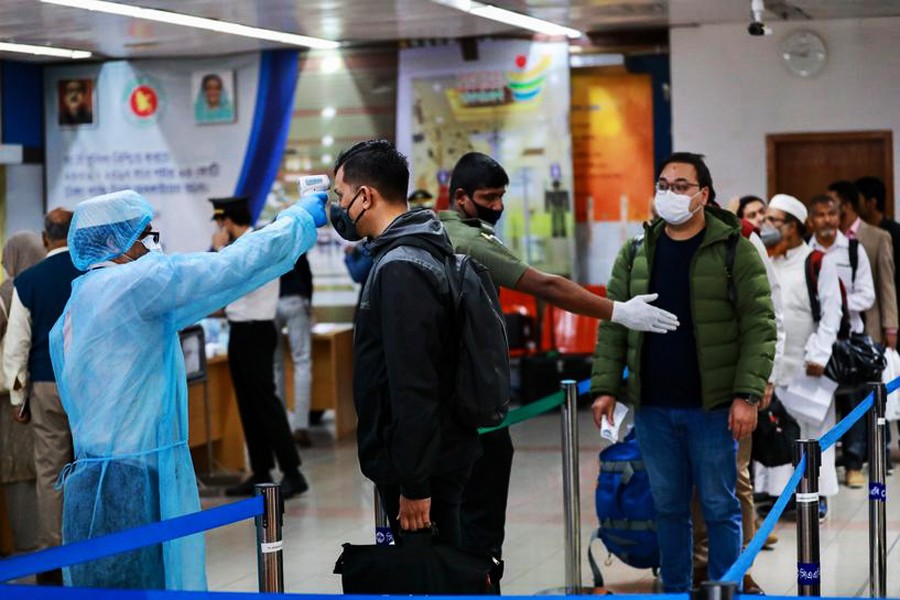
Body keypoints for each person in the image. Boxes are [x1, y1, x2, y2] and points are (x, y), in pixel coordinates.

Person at [49, 188, 327, 589]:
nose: (151, 246)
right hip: (135, 480)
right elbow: (231, 267)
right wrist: (296, 221)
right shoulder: (133, 285)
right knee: (145, 584)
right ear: (114, 243)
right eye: (145, 235)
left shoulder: (77, 304)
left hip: (91, 482)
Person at [438, 152, 679, 590]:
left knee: (449, 526)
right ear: (460, 198)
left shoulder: (430, 233)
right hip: (474, 409)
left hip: (443, 409)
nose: (497, 205)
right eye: (489, 197)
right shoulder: (468, 240)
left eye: (501, 196)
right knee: (479, 527)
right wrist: (617, 311)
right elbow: (544, 284)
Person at [591, 152, 776, 593]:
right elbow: (614, 320)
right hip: (654, 406)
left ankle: (723, 589)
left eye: (680, 186)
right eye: (662, 184)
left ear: (703, 195)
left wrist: (747, 395)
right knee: (668, 508)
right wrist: (604, 387)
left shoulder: (735, 249)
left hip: (713, 408)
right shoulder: (637, 251)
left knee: (719, 506)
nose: (668, 194)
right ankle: (674, 589)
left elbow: (759, 325)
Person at [332, 139, 479, 547]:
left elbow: (413, 382)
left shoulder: (401, 268)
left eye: (341, 195)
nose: (337, 206)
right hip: (433, 454)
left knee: (431, 578)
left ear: (366, 196)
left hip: (422, 468)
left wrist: (414, 485)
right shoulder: (419, 248)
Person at [209, 196, 309, 498]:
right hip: (240, 331)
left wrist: (217, 251)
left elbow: (229, 277)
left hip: (256, 331)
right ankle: (261, 471)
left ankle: (292, 472)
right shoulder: (243, 247)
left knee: (266, 404)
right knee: (249, 406)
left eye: (219, 223)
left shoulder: (254, 246)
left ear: (226, 222)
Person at [2, 210, 81, 583]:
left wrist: (19, 400)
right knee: (91, 468)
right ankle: (94, 550)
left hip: (46, 386)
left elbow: (16, 346)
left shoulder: (28, 281)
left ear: (45, 237)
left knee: (50, 473)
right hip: (89, 386)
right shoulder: (91, 272)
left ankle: (53, 560)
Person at [755, 194, 843, 516]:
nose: (767, 226)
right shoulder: (768, 260)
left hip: (809, 367)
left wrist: (818, 355)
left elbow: (832, 314)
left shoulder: (818, 262)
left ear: (793, 227)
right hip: (777, 366)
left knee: (813, 433)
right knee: (778, 432)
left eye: (774, 221)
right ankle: (780, 495)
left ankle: (814, 495)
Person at [828, 179, 897, 487]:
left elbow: (886, 284)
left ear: (848, 205)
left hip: (864, 332)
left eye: (833, 203)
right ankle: (845, 457)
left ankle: (862, 458)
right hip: (832, 335)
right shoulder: (826, 240)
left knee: (864, 396)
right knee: (841, 398)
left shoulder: (876, 236)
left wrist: (890, 327)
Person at [0, 232, 45, 557]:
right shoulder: (52, 283)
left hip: (12, 398)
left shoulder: (8, 292)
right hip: (45, 390)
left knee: (16, 467)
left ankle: (29, 547)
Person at [274, 254, 314, 447]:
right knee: (302, 361)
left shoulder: (268, 237)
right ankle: (300, 427)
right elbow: (306, 276)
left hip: (271, 303)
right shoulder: (297, 238)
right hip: (295, 301)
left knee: (276, 366)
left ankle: (280, 426)